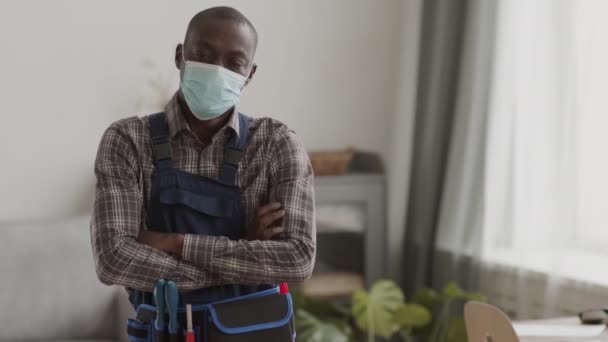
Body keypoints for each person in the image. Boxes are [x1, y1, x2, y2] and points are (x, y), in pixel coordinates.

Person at [90, 6, 315, 340]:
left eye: (234, 62)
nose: (217, 69)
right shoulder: (127, 141)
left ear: (249, 74)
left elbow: (297, 260)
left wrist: (174, 242)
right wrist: (242, 253)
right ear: (181, 56)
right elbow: (113, 260)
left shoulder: (276, 145)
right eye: (204, 54)